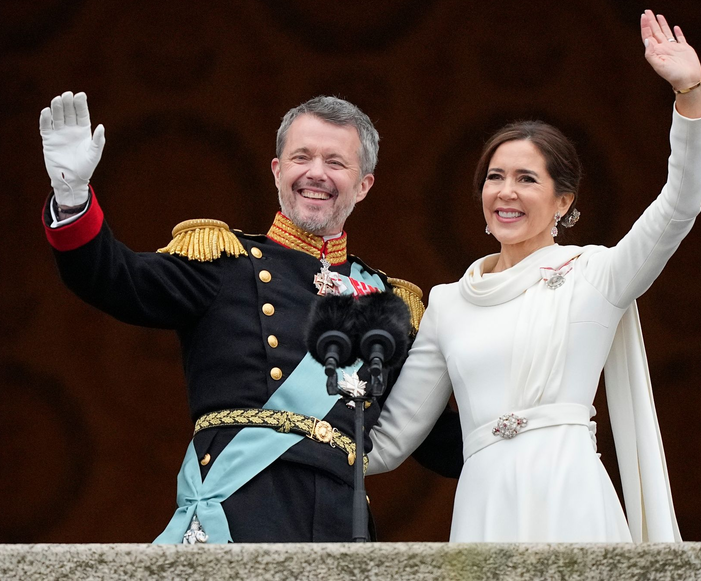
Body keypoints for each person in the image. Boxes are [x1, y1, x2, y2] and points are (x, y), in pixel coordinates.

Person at [39, 93, 463, 543]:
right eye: (302, 157)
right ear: (278, 171)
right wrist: (72, 197)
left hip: (341, 527)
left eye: (335, 162)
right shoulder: (223, 262)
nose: (316, 173)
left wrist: (519, 429)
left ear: (363, 185)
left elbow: (434, 436)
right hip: (239, 514)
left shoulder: (386, 305)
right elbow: (113, 278)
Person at [367, 10, 701, 542]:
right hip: (484, 507)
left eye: (527, 179)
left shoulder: (596, 274)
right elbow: (388, 442)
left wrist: (689, 97)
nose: (506, 191)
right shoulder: (449, 303)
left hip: (571, 495)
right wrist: (285, 435)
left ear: (562, 201)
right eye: (495, 177)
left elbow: (679, 206)